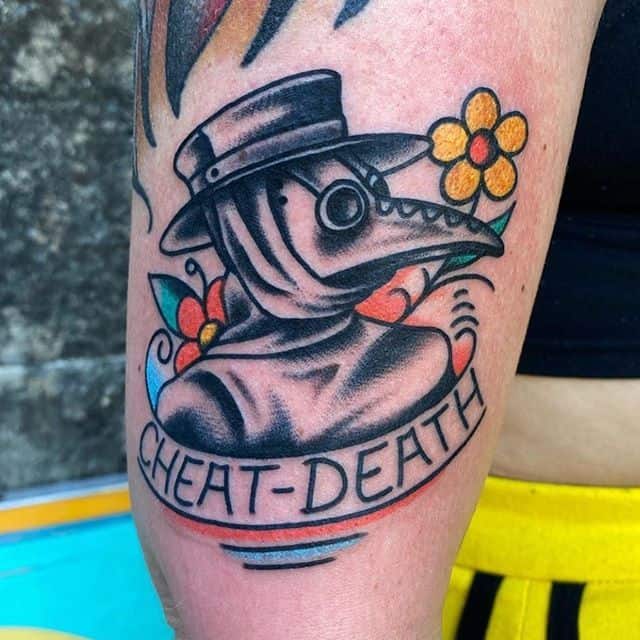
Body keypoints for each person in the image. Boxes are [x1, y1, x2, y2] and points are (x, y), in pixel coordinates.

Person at [126, 1, 638, 638]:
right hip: (534, 590)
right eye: (341, 206)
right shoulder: (211, 407)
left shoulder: (415, 356)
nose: (370, 218)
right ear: (247, 228)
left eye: (362, 190)